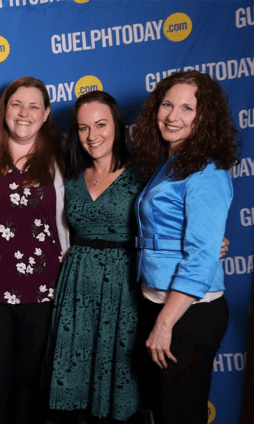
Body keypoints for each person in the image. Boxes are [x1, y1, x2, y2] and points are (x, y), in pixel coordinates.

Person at [0, 76, 70, 424]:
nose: (24, 113)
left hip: (45, 289)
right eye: (17, 104)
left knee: (30, 383)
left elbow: (105, 189)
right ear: (4, 108)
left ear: (47, 112)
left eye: (34, 105)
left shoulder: (62, 153)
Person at [133, 70, 239, 424]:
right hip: (158, 303)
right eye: (167, 104)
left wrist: (164, 323)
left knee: (181, 415)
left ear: (204, 118)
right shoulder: (170, 163)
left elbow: (201, 257)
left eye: (187, 108)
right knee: (163, 412)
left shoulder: (206, 170)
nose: (172, 116)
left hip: (185, 315)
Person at [47, 91, 142, 423]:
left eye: (101, 125)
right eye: (84, 128)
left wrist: (210, 239)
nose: (93, 136)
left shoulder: (143, 173)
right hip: (76, 288)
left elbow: (171, 217)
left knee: (120, 377)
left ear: (117, 124)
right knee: (75, 382)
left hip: (124, 288)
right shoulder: (69, 175)